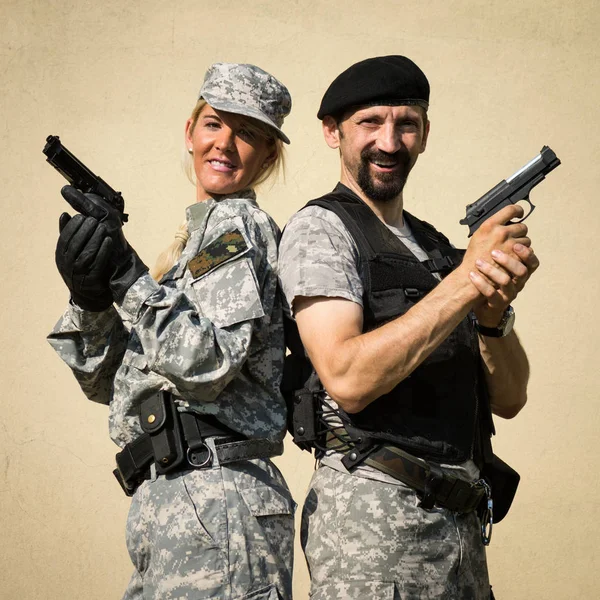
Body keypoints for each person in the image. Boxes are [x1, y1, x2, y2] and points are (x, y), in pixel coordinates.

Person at [279, 55, 539, 599]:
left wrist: (492, 318)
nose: (390, 142)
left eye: (406, 124)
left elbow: (511, 396)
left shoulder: (437, 251)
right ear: (333, 133)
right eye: (370, 123)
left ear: (424, 135)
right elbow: (346, 377)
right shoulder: (321, 229)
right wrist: (468, 281)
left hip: (461, 534)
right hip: (374, 535)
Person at [48, 62, 295, 600]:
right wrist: (91, 299)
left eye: (247, 131)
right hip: (171, 500)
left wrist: (125, 277)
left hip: (215, 496)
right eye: (213, 124)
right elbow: (108, 385)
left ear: (268, 155)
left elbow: (208, 364)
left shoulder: (239, 228)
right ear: (190, 133)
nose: (225, 143)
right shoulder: (186, 250)